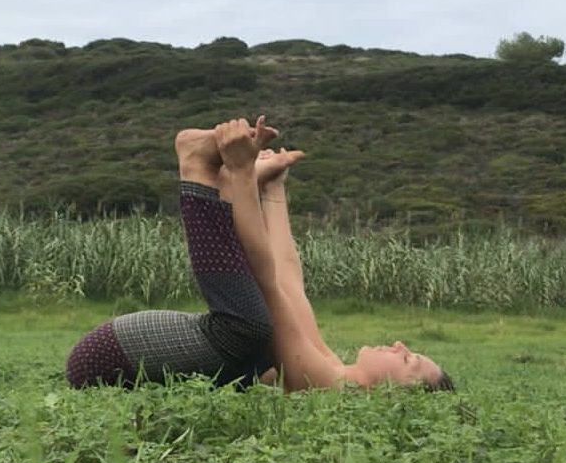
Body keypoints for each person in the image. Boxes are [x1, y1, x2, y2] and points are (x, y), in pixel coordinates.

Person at [66, 116, 453, 393]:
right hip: (122, 349)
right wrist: (272, 190)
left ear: (388, 399)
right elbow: (288, 279)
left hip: (106, 361)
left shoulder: (324, 383)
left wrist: (241, 172)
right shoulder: (330, 368)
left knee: (251, 330)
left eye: (408, 362)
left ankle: (198, 169)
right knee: (261, 334)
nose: (401, 347)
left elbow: (265, 277)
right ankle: (219, 181)